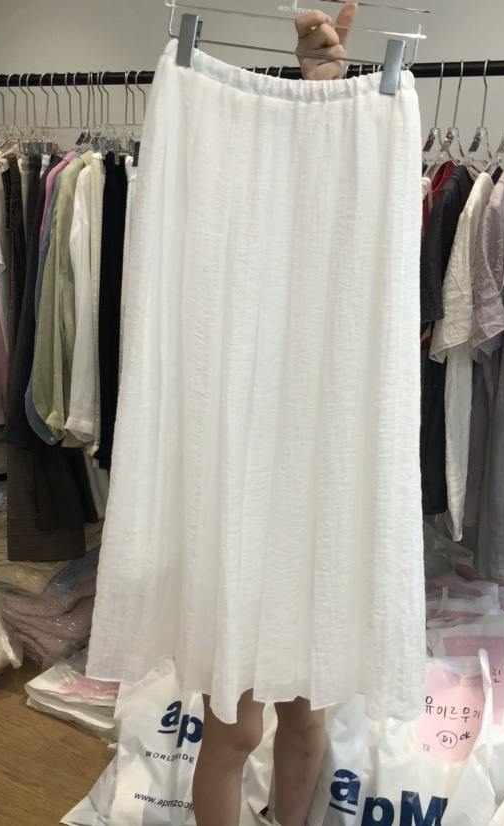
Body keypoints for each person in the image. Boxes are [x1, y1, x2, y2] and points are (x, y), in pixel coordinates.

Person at [190, 7, 360, 826]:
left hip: (313, 500)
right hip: (240, 502)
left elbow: (333, 190)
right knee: (234, 728)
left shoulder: (336, 263)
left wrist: (324, 85)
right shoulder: (221, 238)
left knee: (309, 720)